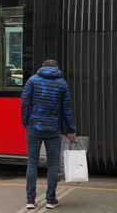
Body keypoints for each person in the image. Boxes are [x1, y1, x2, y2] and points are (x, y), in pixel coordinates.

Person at [21, 59, 76, 209]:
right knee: (53, 165)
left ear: (42, 66)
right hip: (53, 128)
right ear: (56, 68)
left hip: (34, 126)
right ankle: (51, 200)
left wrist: (26, 121)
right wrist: (71, 129)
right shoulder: (62, 83)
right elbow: (67, 109)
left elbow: (25, 103)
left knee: (32, 163)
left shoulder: (32, 80)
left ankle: (30, 200)